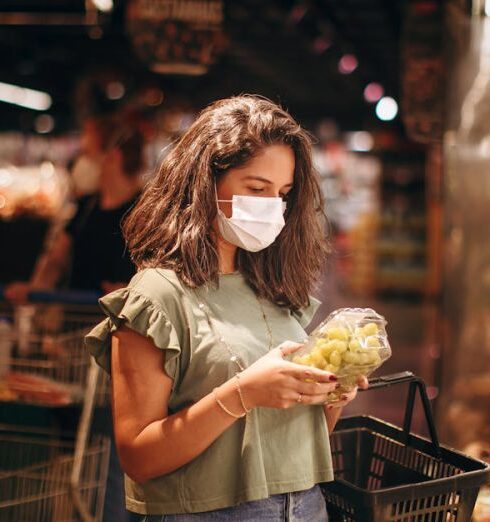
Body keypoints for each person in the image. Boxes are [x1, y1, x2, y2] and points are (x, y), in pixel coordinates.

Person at [86, 95, 368, 521]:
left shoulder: (275, 289)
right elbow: (138, 458)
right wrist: (244, 393)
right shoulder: (157, 296)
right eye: (256, 188)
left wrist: (329, 397)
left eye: (283, 193)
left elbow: (295, 443)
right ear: (204, 184)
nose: (272, 206)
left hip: (307, 507)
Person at [5, 116, 143, 300]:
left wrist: (134, 291)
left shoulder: (146, 211)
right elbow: (56, 259)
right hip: (77, 318)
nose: (79, 163)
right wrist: (35, 289)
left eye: (86, 153)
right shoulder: (86, 206)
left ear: (113, 157)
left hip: (122, 324)